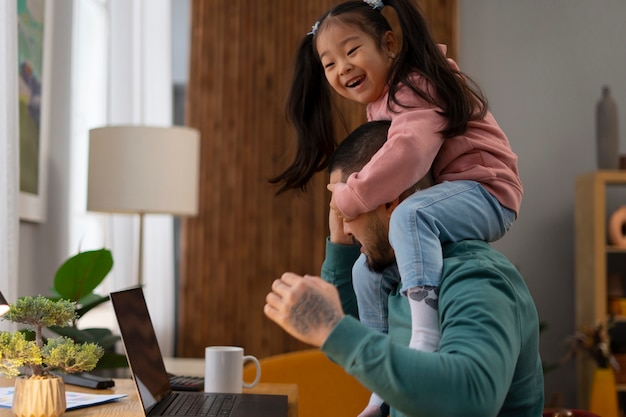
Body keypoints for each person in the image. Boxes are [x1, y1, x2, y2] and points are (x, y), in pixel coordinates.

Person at [269, 1, 523, 414]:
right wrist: (340, 233)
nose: (342, 68)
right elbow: (350, 341)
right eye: (329, 63)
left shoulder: (414, 86)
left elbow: (408, 153)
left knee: (412, 216)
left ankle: (425, 333)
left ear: (389, 43)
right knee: (363, 271)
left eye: (351, 51)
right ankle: (379, 393)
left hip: (487, 188)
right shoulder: (406, 261)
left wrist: (352, 194)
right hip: (445, 198)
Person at [264, 120, 543, 417]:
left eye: (347, 210)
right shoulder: (395, 278)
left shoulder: (474, 278)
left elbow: (472, 397)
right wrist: (339, 241)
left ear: (390, 203)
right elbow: (358, 344)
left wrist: (331, 328)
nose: (344, 227)